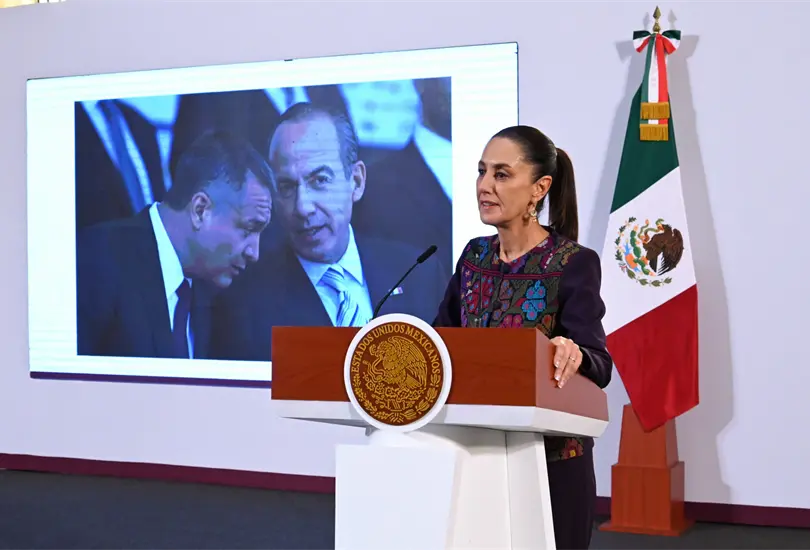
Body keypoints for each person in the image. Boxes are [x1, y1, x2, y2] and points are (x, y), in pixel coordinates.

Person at [433, 126, 613, 550]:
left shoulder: (573, 263)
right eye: (481, 172)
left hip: (551, 463)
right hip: (477, 454)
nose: (483, 186)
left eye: (501, 174)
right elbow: (441, 342)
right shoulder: (473, 257)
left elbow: (600, 364)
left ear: (539, 188)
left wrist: (573, 353)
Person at [208, 102, 447, 362]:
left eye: (320, 181)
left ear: (356, 182)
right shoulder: (243, 308)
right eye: (286, 187)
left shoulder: (419, 275)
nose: (302, 207)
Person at [76, 130, 274, 360]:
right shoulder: (95, 260)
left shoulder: (216, 299)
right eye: (248, 229)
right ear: (200, 210)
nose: (254, 253)